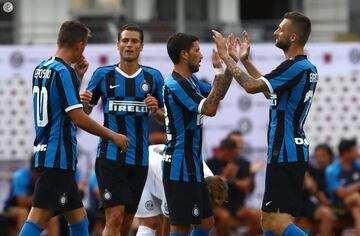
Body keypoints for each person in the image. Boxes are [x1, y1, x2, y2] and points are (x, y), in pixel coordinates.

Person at [19, 21, 129, 236]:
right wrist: (112, 135)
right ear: (79, 46)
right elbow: (78, 118)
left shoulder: (42, 68)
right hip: (58, 157)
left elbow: (59, 107)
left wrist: (77, 78)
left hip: (50, 153)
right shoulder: (62, 72)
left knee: (79, 221)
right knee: (37, 219)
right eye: (84, 47)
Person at [213, 11, 317, 236]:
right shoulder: (302, 68)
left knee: (278, 223)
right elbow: (269, 93)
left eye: (280, 28)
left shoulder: (295, 67)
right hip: (288, 151)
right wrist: (245, 61)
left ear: (292, 37)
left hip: (286, 152)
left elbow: (251, 86)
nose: (275, 31)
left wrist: (226, 57)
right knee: (268, 222)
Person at [80, 24, 165, 235]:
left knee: (127, 222)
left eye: (134, 41)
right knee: (114, 216)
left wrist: (156, 111)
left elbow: (167, 119)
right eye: (125, 40)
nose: (129, 45)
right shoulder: (103, 74)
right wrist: (83, 101)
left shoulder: (153, 77)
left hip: (139, 160)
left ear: (142, 46)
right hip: (110, 157)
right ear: (117, 45)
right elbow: (85, 112)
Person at [163, 32, 233, 236]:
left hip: (192, 165)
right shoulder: (175, 83)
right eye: (197, 50)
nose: (201, 55)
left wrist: (230, 62)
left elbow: (217, 93)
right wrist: (219, 68)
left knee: (206, 222)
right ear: (184, 54)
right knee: (181, 226)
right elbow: (210, 109)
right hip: (178, 166)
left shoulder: (191, 81)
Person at [135, 144, 227, 236]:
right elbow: (168, 227)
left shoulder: (210, 179)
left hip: (164, 166)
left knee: (205, 222)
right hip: (144, 165)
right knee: (150, 223)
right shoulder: (179, 187)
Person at [326, 139, 360, 234]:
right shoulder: (332, 170)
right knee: (356, 197)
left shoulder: (358, 164)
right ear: (346, 153)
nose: (357, 152)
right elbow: (341, 194)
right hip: (339, 206)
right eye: (354, 150)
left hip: (355, 205)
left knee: (357, 212)